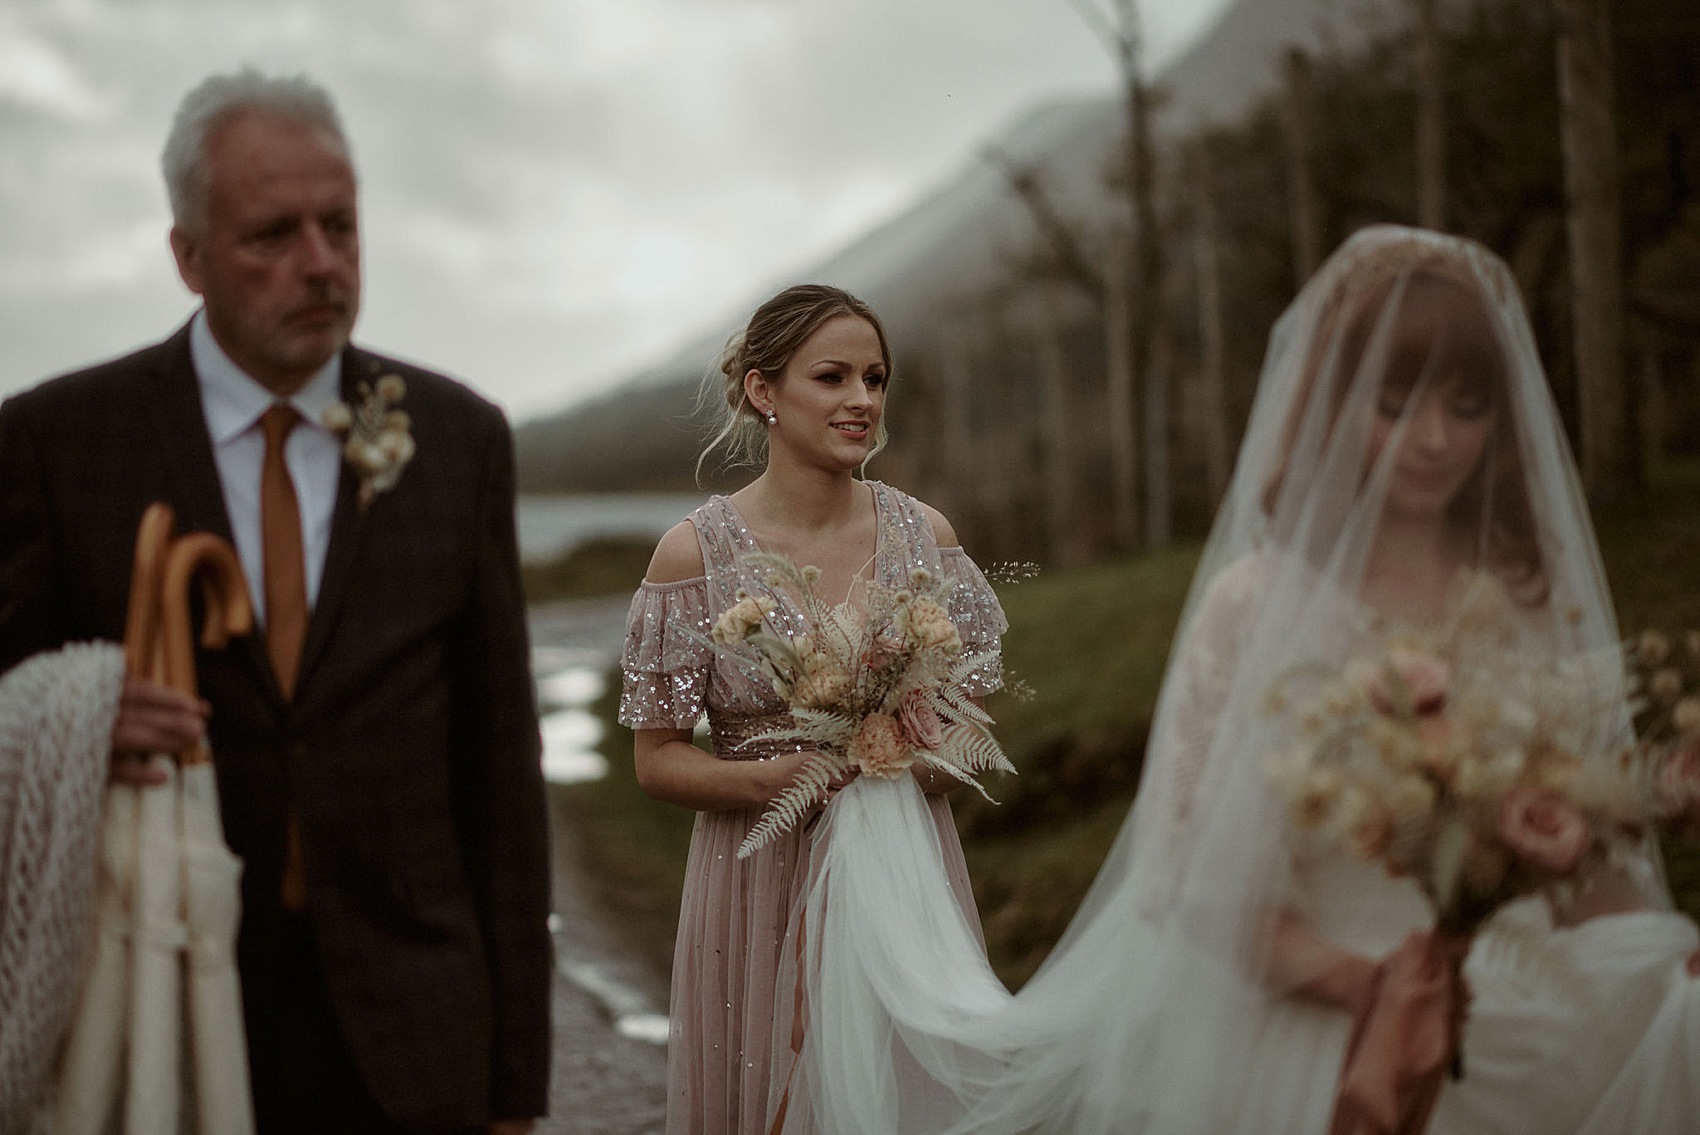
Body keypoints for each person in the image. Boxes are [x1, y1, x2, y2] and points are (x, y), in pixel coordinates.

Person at [765, 226, 1700, 1134]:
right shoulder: (1257, 606)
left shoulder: (1520, 597)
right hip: (1314, 1000)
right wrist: (1377, 988)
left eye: (1465, 406)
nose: (1433, 441)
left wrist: (1649, 931)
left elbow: (1571, 826)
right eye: (1394, 403)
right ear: (1335, 407)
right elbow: (1189, 874)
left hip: (1517, 991)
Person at [0, 70, 552, 1133]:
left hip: (414, 1033)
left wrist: (513, 1084)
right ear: (188, 256)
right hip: (154, 1014)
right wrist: (64, 714)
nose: (321, 263)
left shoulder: (458, 439)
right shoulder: (52, 445)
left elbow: (498, 774)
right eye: (272, 234)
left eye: (339, 225)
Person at [616, 283, 1009, 1135]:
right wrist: (769, 779)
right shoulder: (696, 554)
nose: (862, 399)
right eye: (832, 377)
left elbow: (975, 720)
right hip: (755, 875)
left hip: (902, 878)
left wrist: (917, 751)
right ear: (765, 391)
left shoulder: (925, 538)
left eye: (875, 378)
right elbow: (655, 759)